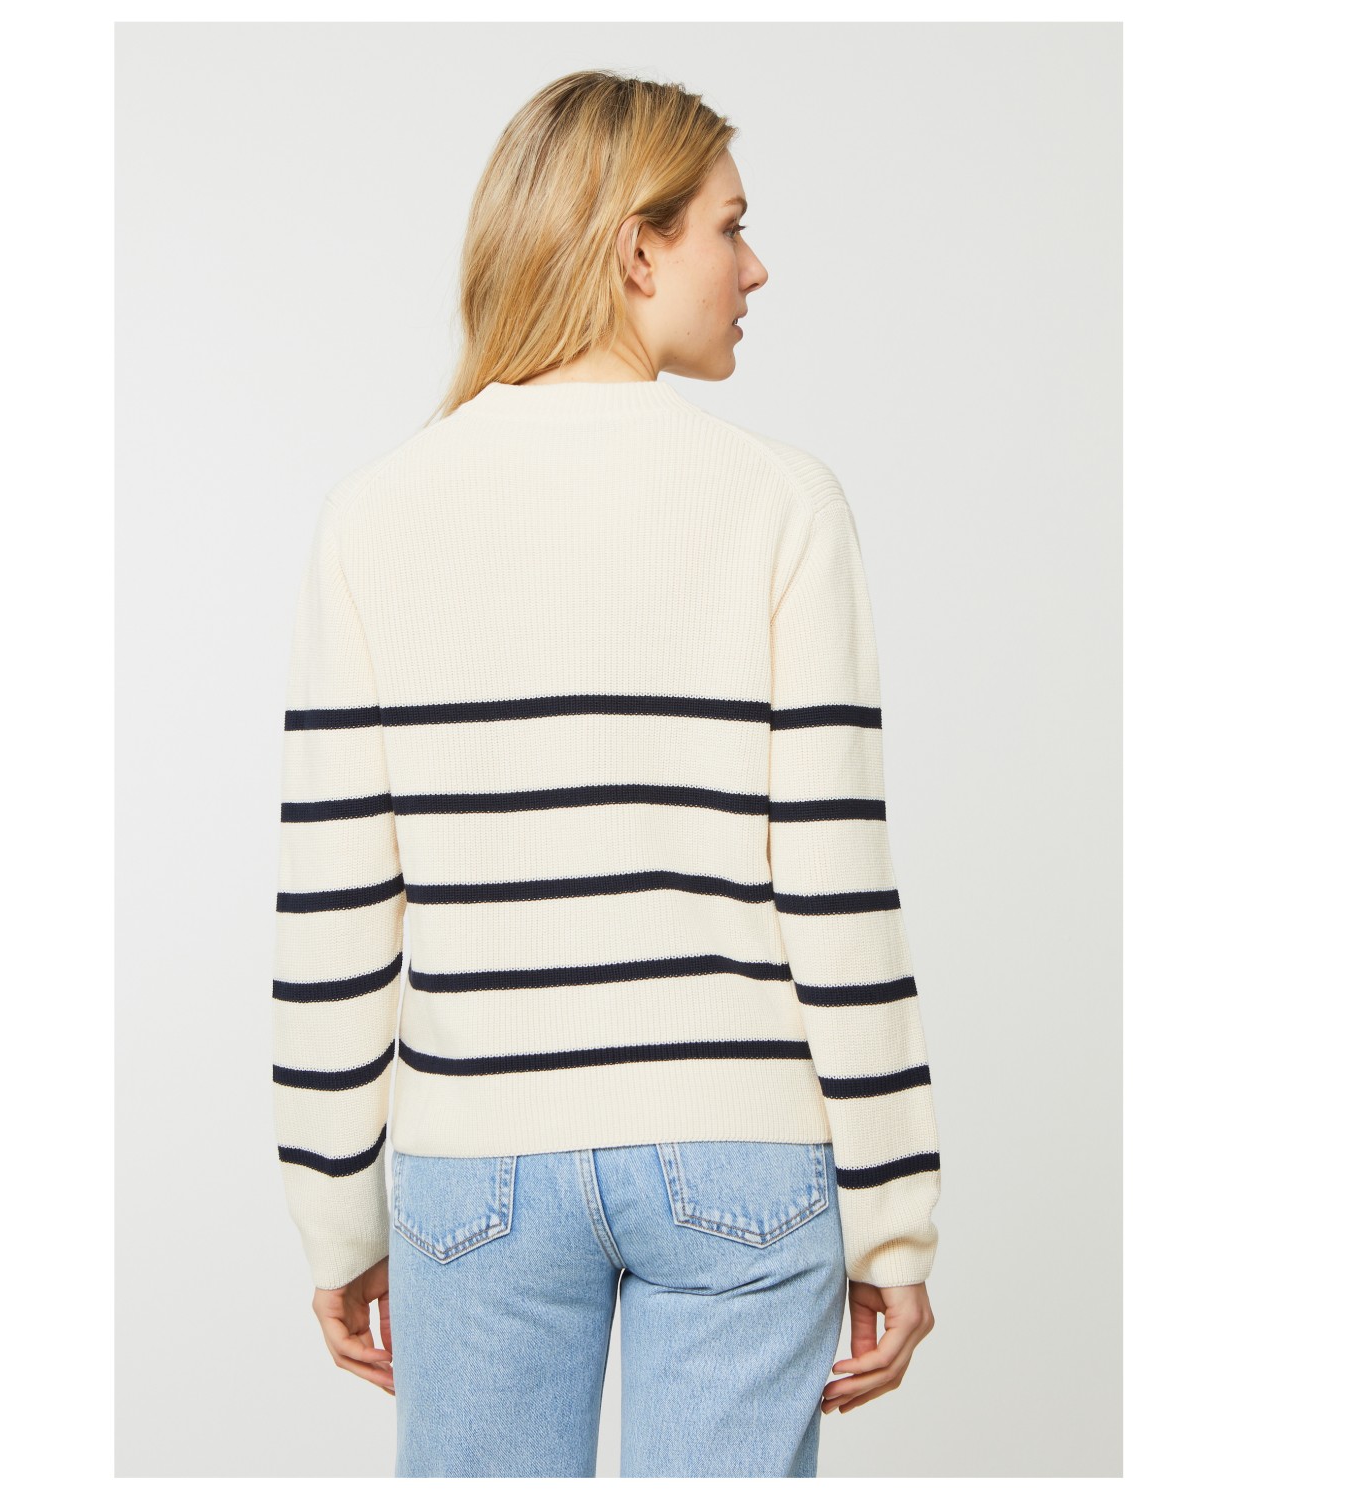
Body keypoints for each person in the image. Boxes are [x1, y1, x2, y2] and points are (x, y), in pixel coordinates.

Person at [270, 68, 942, 1479]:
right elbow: (836, 884)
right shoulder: (782, 503)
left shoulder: (374, 515)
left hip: (475, 1167)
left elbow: (336, 909)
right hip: (739, 1150)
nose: (755, 268)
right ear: (638, 249)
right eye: (729, 228)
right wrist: (892, 1220)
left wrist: (336, 1215)